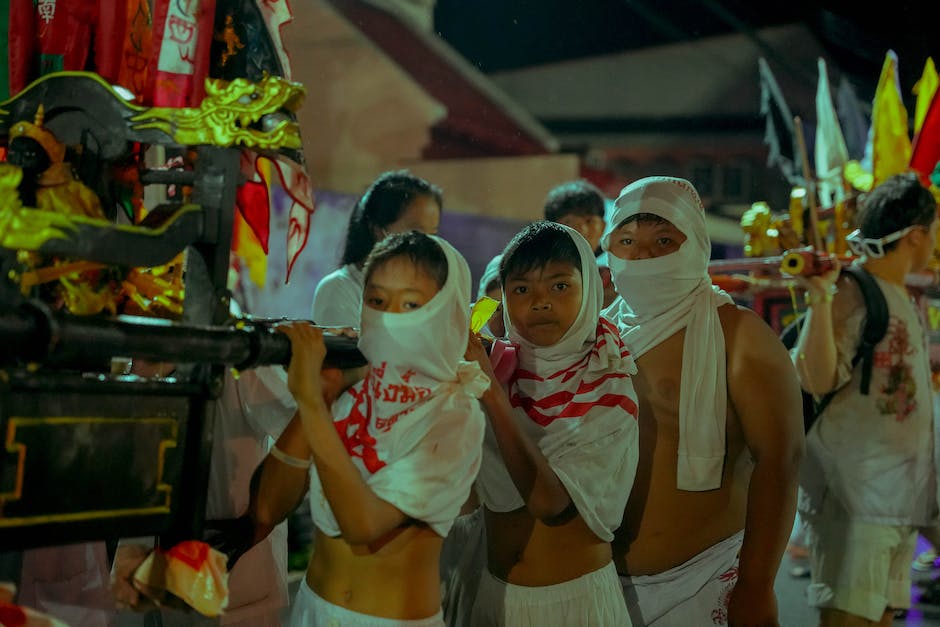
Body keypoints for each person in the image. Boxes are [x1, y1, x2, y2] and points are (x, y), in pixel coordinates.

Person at [254, 231, 488, 625]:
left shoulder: (454, 414)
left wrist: (311, 402)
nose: (389, 317)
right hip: (312, 609)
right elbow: (267, 507)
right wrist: (323, 396)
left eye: (411, 304)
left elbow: (363, 524)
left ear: (446, 312)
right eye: (377, 301)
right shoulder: (351, 390)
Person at [603, 176, 804, 626]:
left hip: (708, 577)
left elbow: (782, 460)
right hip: (600, 582)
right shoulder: (594, 337)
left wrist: (755, 586)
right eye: (628, 240)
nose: (644, 255)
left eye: (664, 240)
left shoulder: (741, 336)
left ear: (695, 244)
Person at [466, 221, 640, 625]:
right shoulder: (496, 368)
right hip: (494, 596)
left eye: (560, 286)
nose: (539, 302)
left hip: (573, 606)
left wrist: (489, 392)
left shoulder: (607, 385)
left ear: (590, 290)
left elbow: (548, 501)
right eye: (522, 289)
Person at [793, 171, 939, 626]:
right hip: (856, 503)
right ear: (916, 235)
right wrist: (819, 301)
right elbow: (814, 378)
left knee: (880, 619)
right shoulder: (853, 291)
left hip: (896, 505)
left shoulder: (905, 296)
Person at [311, 170, 442, 327]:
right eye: (416, 232)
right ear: (378, 229)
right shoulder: (340, 289)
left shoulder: (425, 293)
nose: (426, 244)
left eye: (432, 234)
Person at [543, 179, 617, 308]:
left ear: (603, 227)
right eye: (569, 222)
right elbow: (495, 309)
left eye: (589, 221)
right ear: (551, 229)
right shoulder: (530, 270)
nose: (582, 230)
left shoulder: (617, 282)